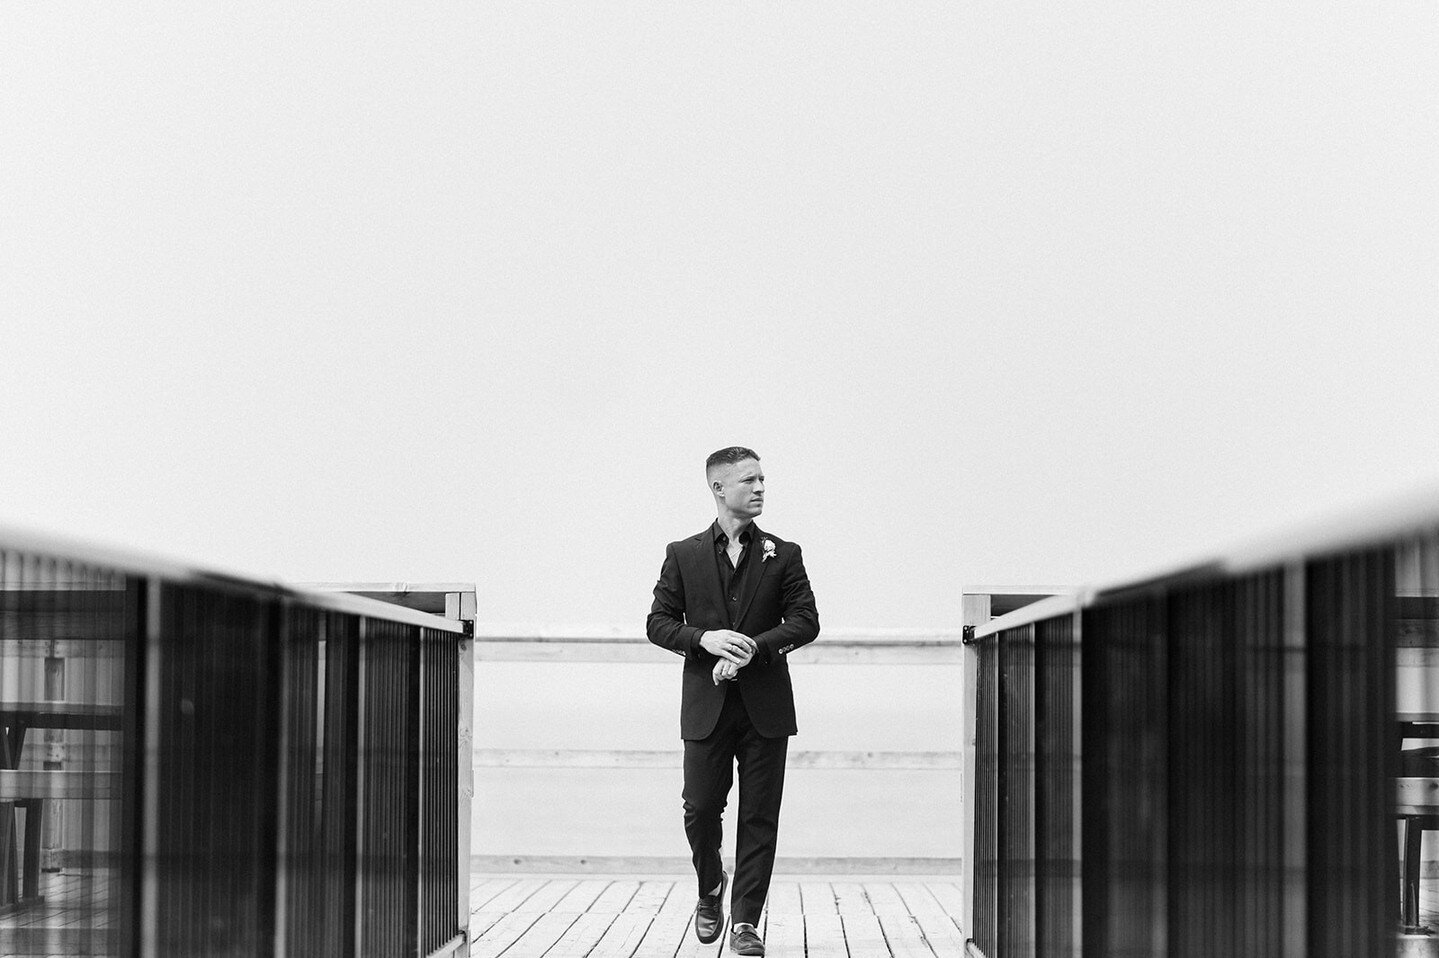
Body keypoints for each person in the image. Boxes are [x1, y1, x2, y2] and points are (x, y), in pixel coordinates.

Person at [647, 446, 820, 956]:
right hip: (706, 706)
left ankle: (746, 921)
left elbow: (806, 621)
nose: (761, 487)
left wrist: (753, 648)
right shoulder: (683, 553)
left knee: (760, 817)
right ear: (718, 488)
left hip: (766, 706)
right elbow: (658, 623)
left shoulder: (785, 553)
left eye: (764, 478)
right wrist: (702, 639)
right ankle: (709, 887)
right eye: (750, 480)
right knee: (700, 808)